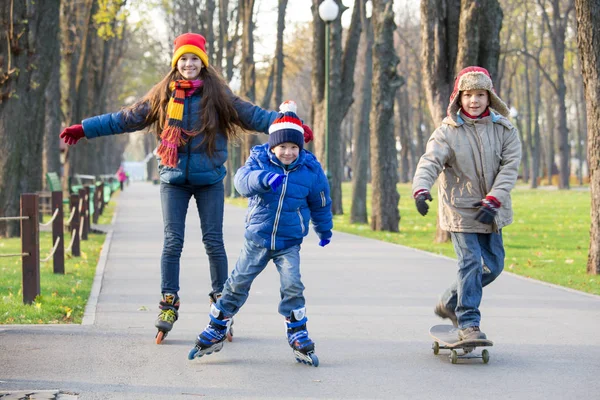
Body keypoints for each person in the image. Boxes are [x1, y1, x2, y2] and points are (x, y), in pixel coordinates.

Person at [59, 33, 311, 343]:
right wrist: (85, 128)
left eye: (194, 59)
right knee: (172, 241)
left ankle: (222, 302)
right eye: (183, 59)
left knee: (213, 242)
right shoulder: (163, 95)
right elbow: (123, 119)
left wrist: (290, 125)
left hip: (209, 181)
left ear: (202, 63)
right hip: (173, 180)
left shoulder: (219, 96)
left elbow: (256, 116)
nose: (188, 64)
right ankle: (168, 303)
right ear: (176, 62)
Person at [187, 101, 332, 366]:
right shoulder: (259, 160)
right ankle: (218, 325)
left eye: (293, 147)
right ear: (272, 146)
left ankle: (297, 331)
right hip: (257, 238)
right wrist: (264, 179)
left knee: (292, 284)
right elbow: (241, 181)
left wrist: (324, 229)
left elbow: (320, 202)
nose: (288, 152)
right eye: (282, 147)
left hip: (289, 242)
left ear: (300, 147)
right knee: (238, 283)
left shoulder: (310, 170)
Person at [412, 66, 521, 341]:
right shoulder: (447, 132)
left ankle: (449, 301)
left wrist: (495, 199)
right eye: (468, 94)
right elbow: (430, 161)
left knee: (493, 266)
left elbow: (509, 168)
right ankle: (468, 322)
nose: (474, 100)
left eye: (480, 94)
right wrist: (421, 189)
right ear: (458, 98)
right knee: (470, 263)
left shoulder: (504, 130)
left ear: (489, 97)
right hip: (460, 210)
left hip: (491, 211)